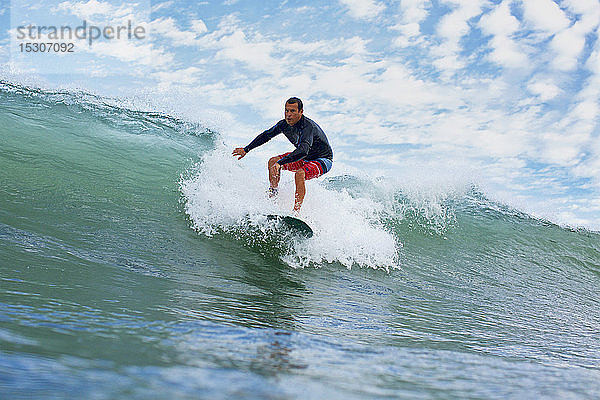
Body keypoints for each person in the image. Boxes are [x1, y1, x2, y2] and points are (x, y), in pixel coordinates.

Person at [232, 97, 333, 213]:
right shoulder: (283, 125)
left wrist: (281, 163)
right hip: (304, 157)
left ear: (301, 112)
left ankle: (296, 212)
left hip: (322, 159)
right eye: (286, 110)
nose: (288, 114)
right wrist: (246, 149)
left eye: (293, 111)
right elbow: (266, 136)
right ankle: (273, 196)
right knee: (272, 162)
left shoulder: (308, 127)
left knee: (300, 174)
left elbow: (303, 151)